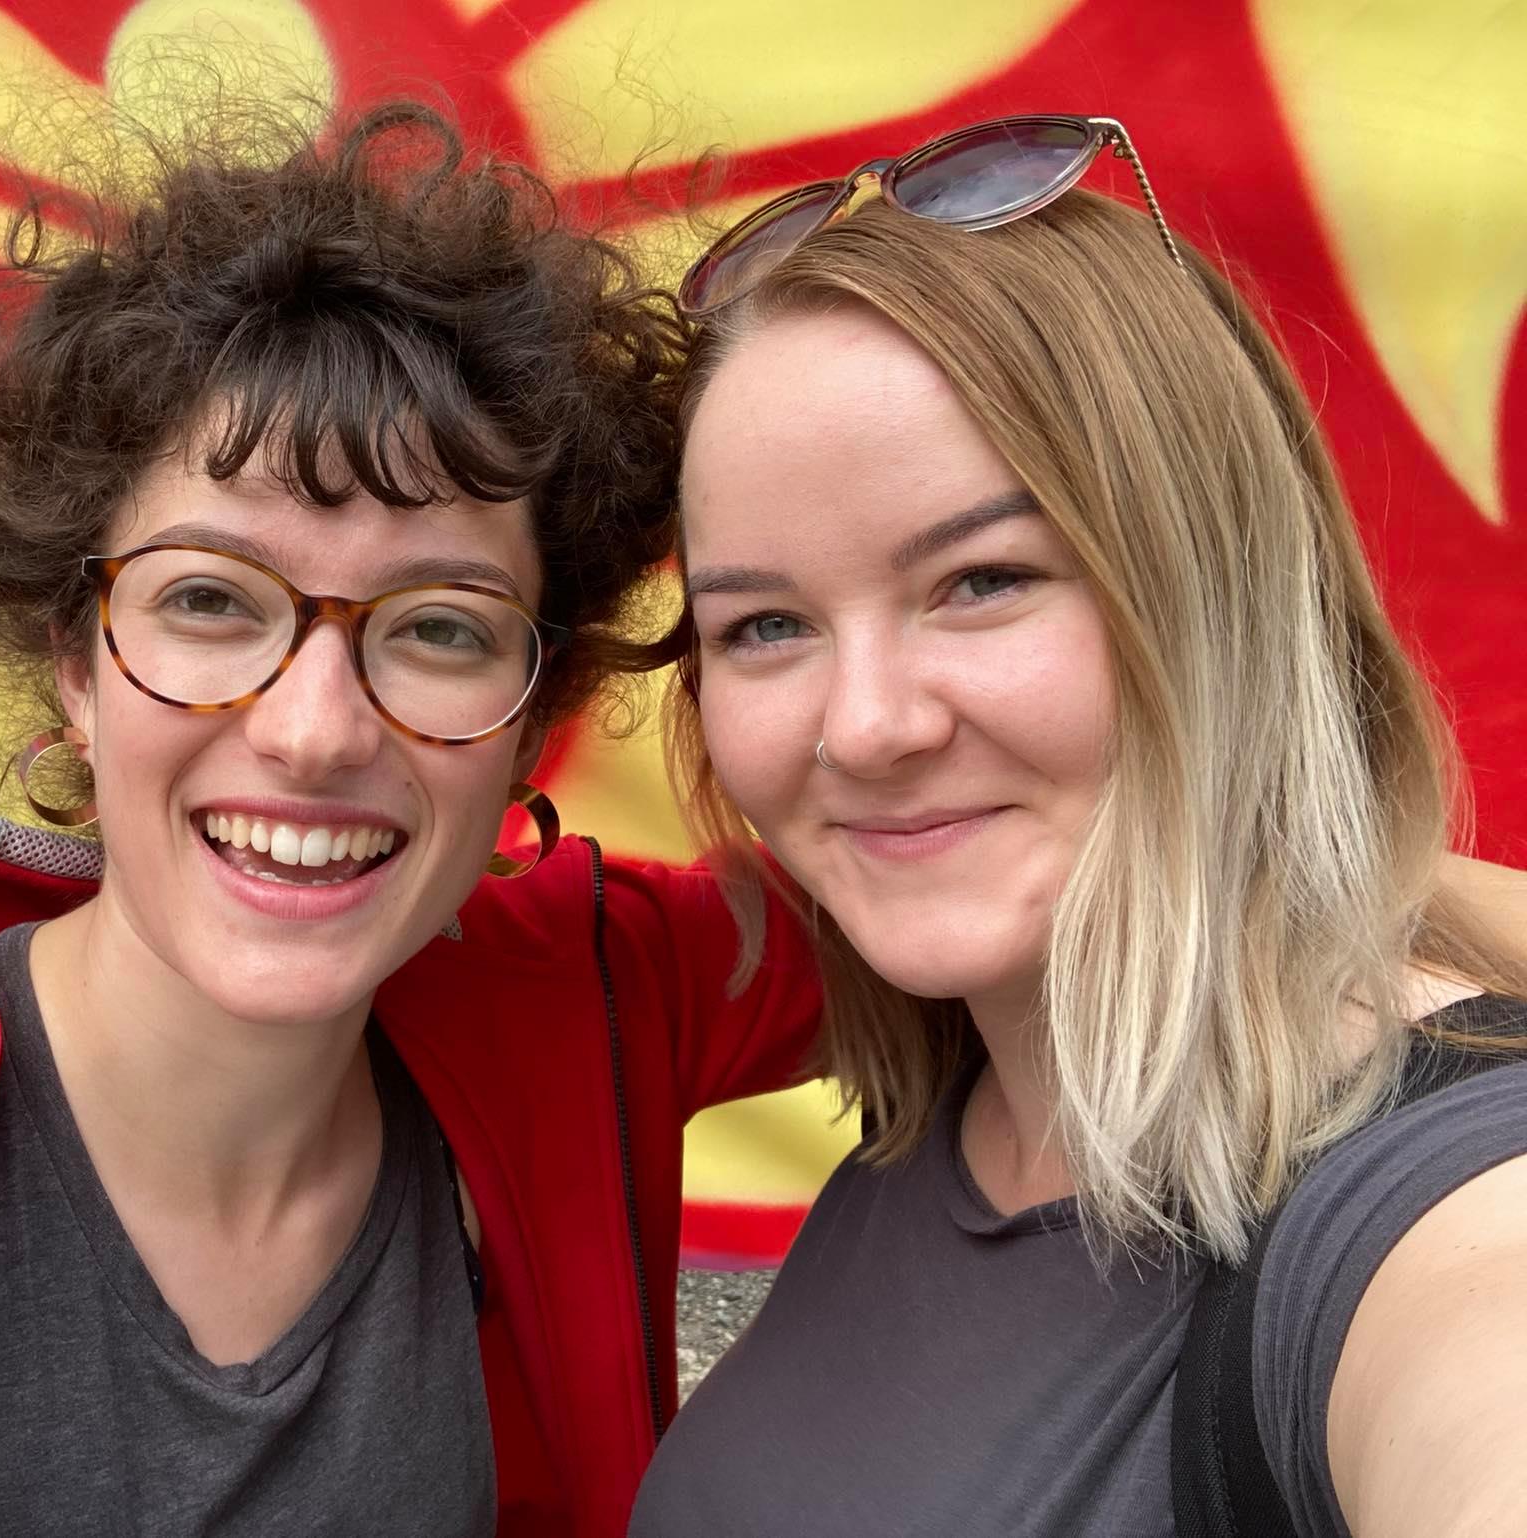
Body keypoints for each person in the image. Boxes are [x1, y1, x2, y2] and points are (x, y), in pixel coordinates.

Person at [0, 101, 822, 1538]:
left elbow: (939, 881)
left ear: (530, 715)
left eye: (440, 625)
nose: (313, 730)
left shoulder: (588, 990)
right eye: (209, 600)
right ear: (76, 663)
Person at [629, 115, 1527, 1537]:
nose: (864, 725)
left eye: (981, 581)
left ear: (1216, 584)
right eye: (768, 625)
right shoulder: (953, 1089)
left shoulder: (1432, 1205)